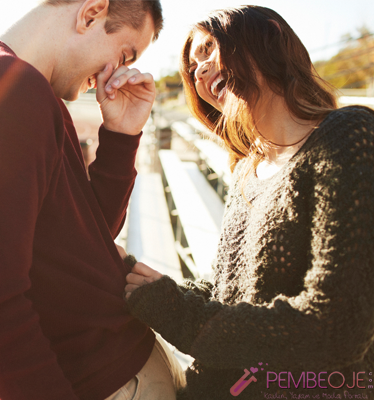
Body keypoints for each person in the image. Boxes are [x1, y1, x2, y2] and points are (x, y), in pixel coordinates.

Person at [0, 1, 181, 399]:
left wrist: (122, 137)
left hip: (116, 373)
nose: (116, 73)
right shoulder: (4, 89)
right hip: (100, 381)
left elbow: (88, 238)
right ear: (90, 12)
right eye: (125, 54)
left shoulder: (31, 92)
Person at [123, 5, 374, 400]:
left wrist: (177, 312)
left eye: (209, 49)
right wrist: (154, 288)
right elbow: (231, 294)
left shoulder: (348, 136)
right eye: (192, 67)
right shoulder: (245, 172)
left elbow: (336, 327)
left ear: (270, 34)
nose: (201, 70)